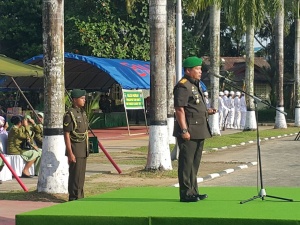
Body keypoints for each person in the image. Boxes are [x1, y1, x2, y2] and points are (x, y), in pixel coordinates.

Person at [173, 56, 217, 202]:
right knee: (186, 163)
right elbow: (179, 109)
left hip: (199, 129)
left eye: (200, 69)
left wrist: (207, 111)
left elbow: (194, 106)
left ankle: (194, 191)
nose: (200, 71)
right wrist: (184, 130)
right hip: (189, 130)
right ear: (188, 70)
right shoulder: (183, 85)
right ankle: (186, 194)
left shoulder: (195, 84)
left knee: (194, 163)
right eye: (197, 69)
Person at [63, 89, 89, 201]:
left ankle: (80, 195)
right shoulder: (70, 114)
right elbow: (67, 134)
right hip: (75, 149)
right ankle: (73, 197)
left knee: (81, 175)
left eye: (84, 98)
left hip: (83, 148)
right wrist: (70, 153)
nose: (84, 100)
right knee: (75, 175)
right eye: (82, 98)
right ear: (74, 100)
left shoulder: (82, 113)